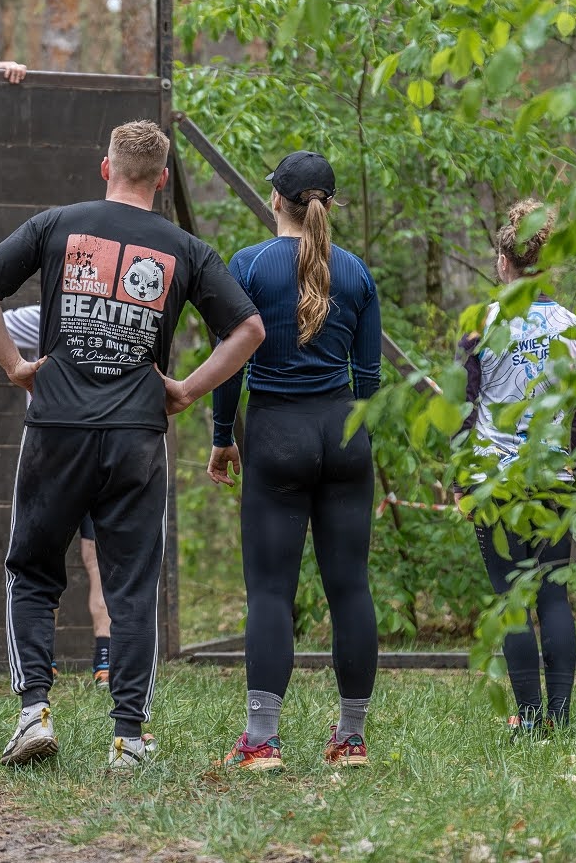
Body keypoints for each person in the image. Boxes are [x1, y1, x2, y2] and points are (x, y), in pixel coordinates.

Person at [0, 120, 265, 771]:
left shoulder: (55, 224)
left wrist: (16, 367)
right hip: (136, 437)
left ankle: (34, 712)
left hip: (56, 429)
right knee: (132, 585)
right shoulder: (186, 248)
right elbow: (248, 329)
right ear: (162, 179)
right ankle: (128, 738)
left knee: (32, 571)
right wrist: (185, 390)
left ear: (106, 167)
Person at [207, 151, 381, 772]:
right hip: (343, 432)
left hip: (275, 434)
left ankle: (261, 742)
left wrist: (222, 434)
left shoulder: (249, 265)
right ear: (328, 206)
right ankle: (351, 739)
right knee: (350, 585)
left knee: (271, 592)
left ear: (276, 199)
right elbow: (369, 377)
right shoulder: (355, 272)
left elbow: (230, 365)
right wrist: (353, 439)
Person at [455, 200, 576, 737]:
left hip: (496, 479)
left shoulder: (481, 325)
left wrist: (461, 481)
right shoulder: (572, 326)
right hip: (555, 477)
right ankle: (558, 715)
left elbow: (463, 409)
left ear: (503, 262)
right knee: (554, 594)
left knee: (512, 599)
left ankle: (530, 720)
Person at [0, 305, 113, 684]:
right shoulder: (107, 311)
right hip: (103, 441)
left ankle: (51, 661)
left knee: (50, 559)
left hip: (55, 445)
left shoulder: (45, 316)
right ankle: (101, 660)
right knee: (89, 557)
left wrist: (16, 366)